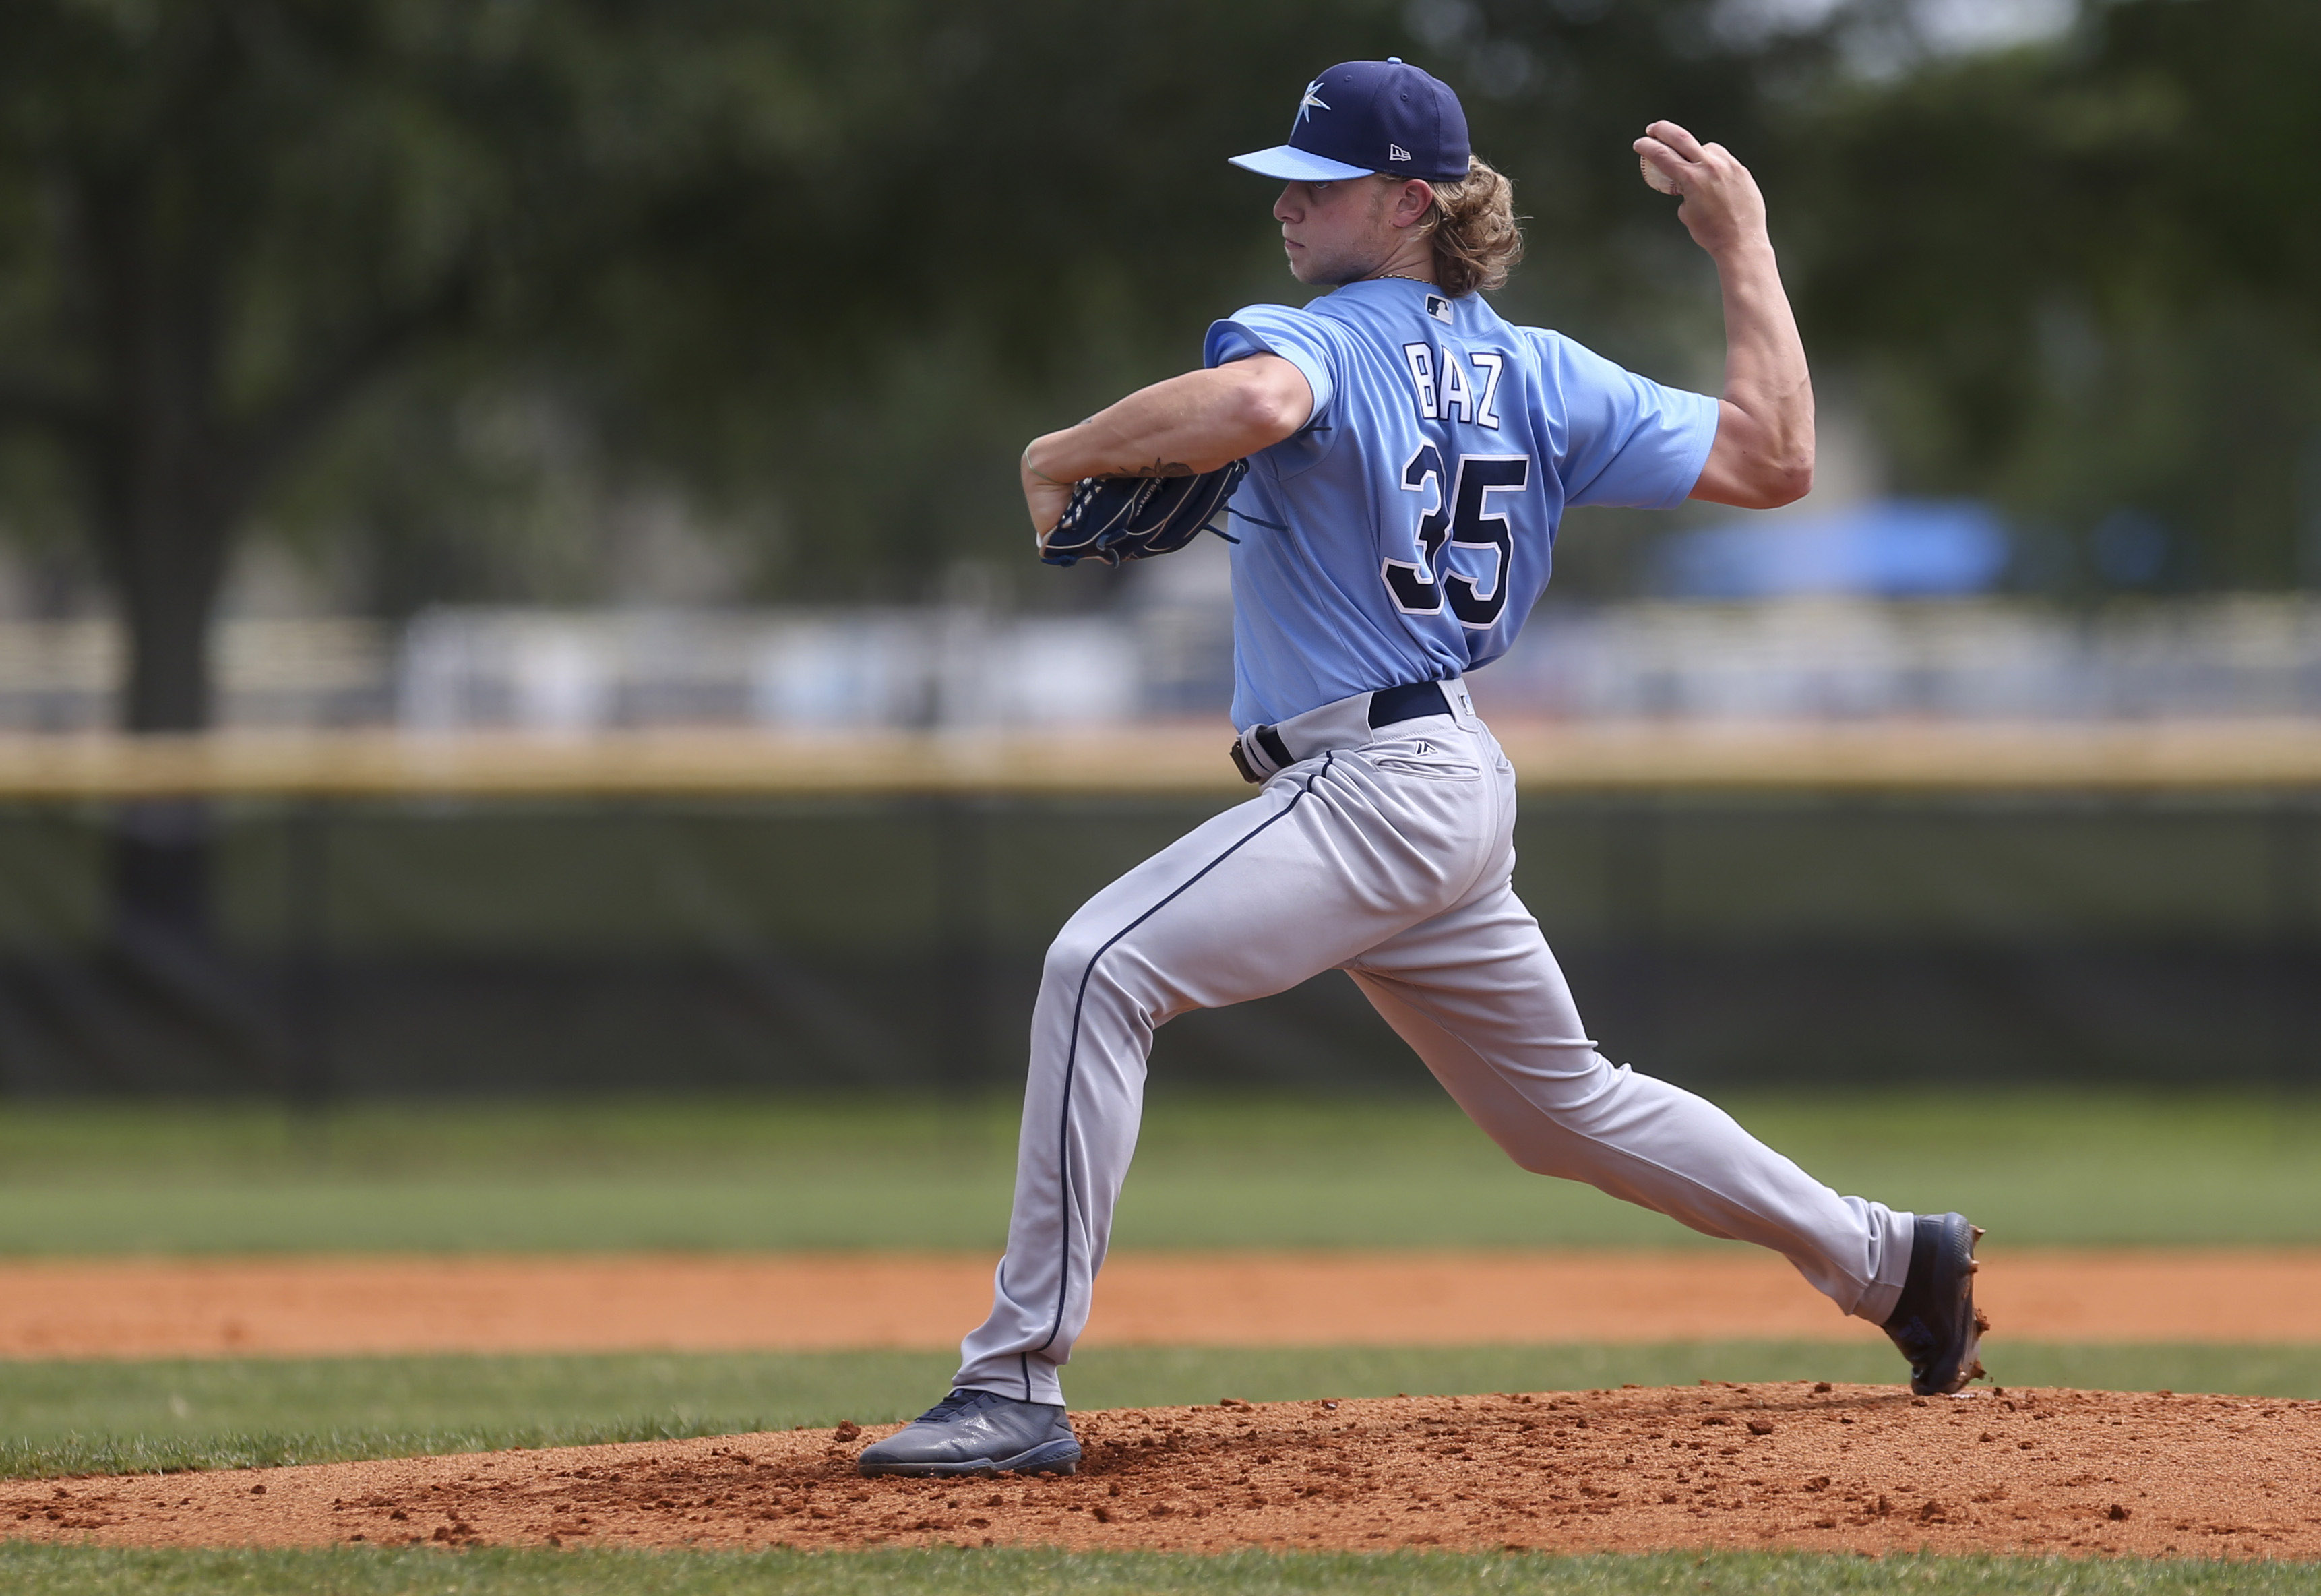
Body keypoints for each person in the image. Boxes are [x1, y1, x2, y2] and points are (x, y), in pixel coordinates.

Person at [858, 59, 1981, 1479]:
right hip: (1443, 774)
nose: (1287, 204)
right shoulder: (1547, 370)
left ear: (1403, 202)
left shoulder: (1319, 332)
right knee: (1563, 1107)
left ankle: (1015, 1380)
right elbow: (1776, 457)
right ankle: (1892, 1260)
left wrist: (1063, 450)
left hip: (1371, 779)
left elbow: (1260, 400)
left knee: (1099, 967)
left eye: (1316, 182)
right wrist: (1743, 248)